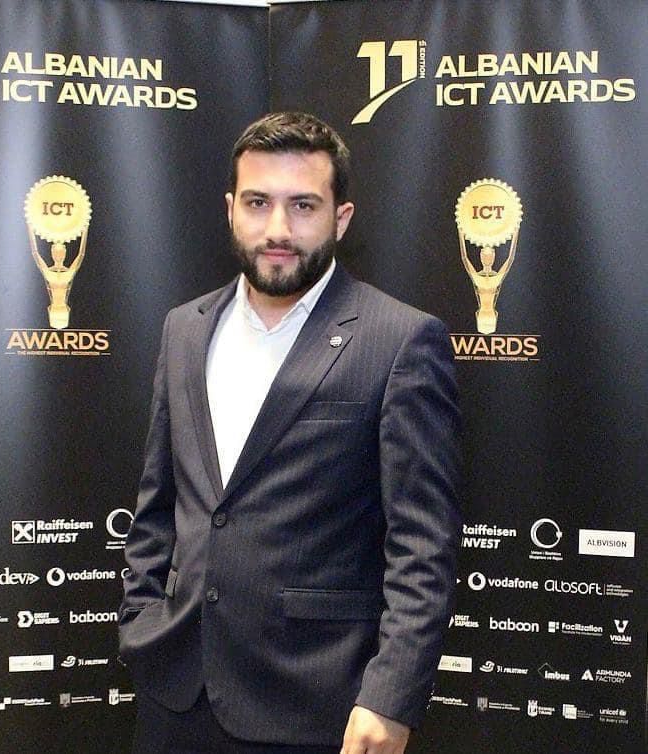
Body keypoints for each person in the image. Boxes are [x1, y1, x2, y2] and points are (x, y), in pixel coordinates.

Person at [119, 112, 461, 754]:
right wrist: (142, 619)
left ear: (341, 217)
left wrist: (390, 697)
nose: (278, 228)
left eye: (303, 205)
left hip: (317, 705)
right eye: (258, 203)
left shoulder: (400, 340)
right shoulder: (185, 328)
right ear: (230, 210)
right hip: (176, 694)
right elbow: (158, 502)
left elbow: (422, 542)